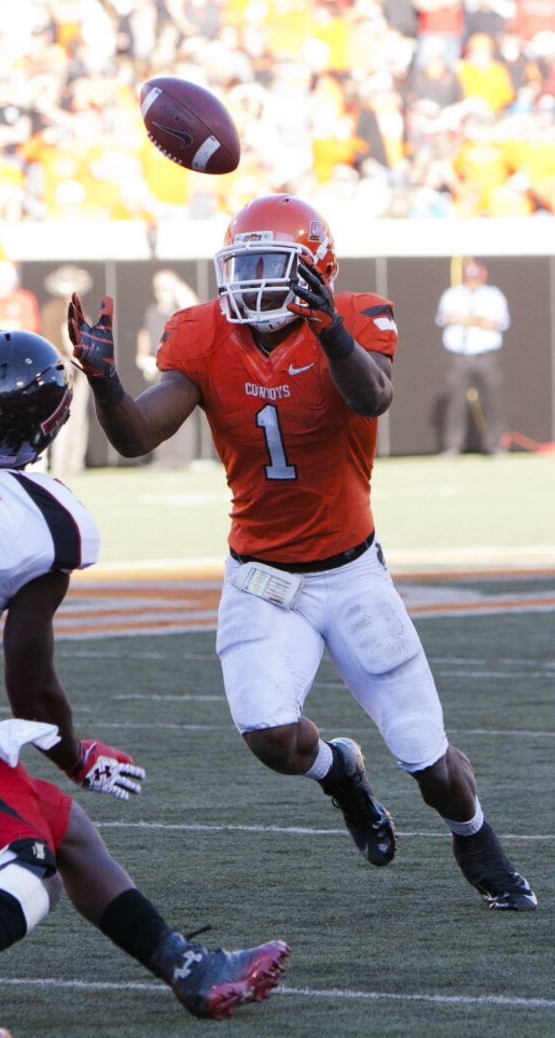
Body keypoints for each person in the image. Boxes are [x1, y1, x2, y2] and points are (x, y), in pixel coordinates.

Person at [0, 329, 290, 1038]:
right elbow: (30, 686)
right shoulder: (45, 517)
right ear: (44, 428)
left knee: (65, 829)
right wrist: (73, 752)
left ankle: (187, 965)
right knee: (26, 863)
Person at [67, 193, 536, 913]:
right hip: (260, 578)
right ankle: (340, 771)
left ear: (315, 270)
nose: (253, 282)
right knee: (267, 734)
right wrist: (103, 380)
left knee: (428, 760)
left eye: (270, 265)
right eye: (243, 265)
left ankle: (474, 836)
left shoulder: (355, 316)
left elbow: (372, 397)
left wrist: (329, 334)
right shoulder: (200, 332)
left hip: (351, 574)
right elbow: (136, 437)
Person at [435, 257, 510, 456]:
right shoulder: (453, 294)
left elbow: (498, 322)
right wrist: (477, 320)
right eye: (470, 277)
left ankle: (495, 445)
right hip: (459, 355)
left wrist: (465, 319)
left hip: (486, 354)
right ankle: (453, 445)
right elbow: (445, 317)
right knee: (455, 401)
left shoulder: (493, 295)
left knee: (491, 401)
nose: (473, 281)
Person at [135, 269, 201, 469]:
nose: (161, 292)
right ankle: (162, 459)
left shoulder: (180, 310)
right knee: (158, 412)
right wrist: (142, 355)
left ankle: (181, 459)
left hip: (179, 367)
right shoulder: (153, 310)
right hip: (158, 366)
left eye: (165, 287)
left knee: (181, 413)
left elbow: (197, 308)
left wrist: (176, 286)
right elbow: (145, 333)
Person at [41, 264, 93, 476]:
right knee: (65, 416)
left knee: (78, 416)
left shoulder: (80, 312)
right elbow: (54, 340)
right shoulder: (53, 310)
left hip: (78, 366)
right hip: (63, 364)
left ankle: (75, 462)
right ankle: (63, 463)